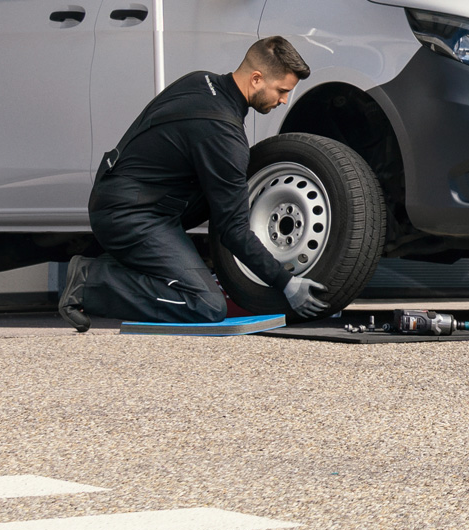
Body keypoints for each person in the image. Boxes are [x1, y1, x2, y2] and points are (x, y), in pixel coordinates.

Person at [64, 35, 312, 329]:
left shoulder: (200, 81)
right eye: (282, 90)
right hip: (129, 215)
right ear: (257, 79)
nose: (284, 100)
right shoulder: (223, 136)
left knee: (229, 190)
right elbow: (233, 231)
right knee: (205, 305)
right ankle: (90, 281)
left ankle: (161, 267)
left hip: (126, 194)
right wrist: (285, 282)